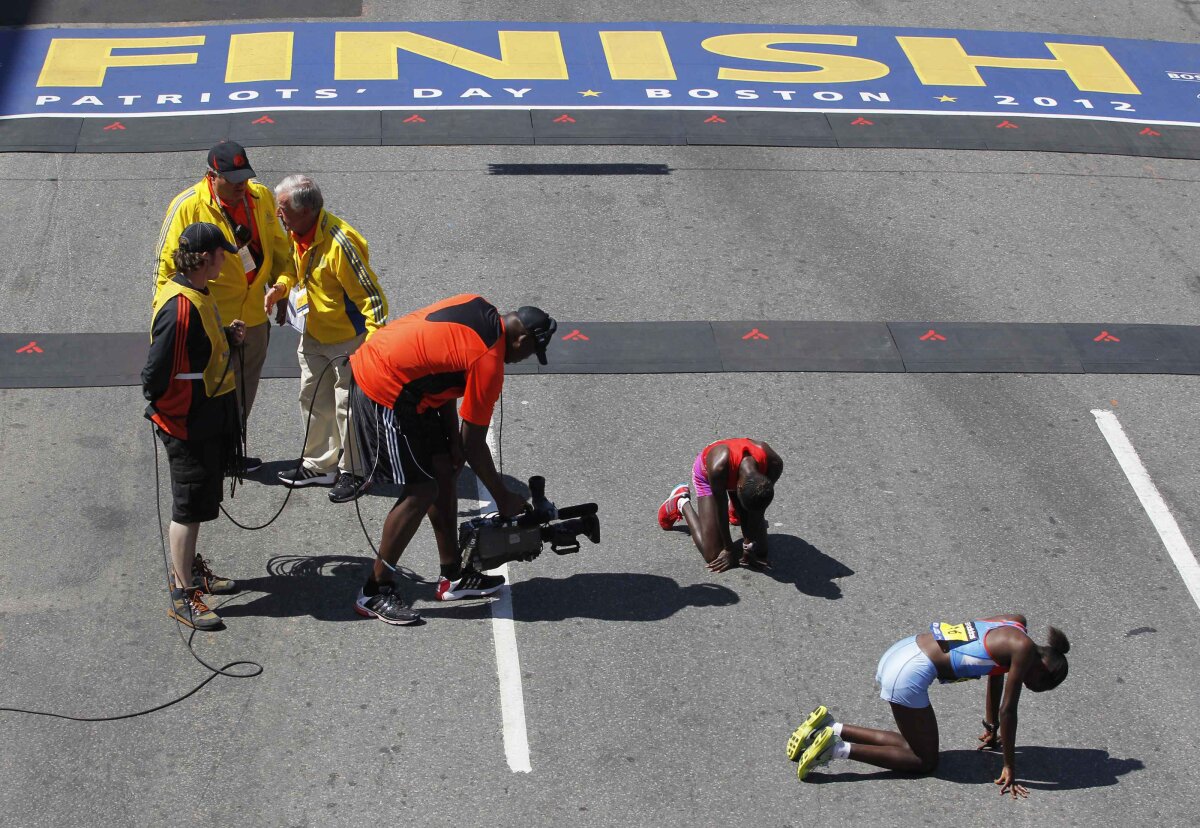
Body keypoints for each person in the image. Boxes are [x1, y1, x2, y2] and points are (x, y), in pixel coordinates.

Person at [345, 294, 557, 625]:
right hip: (382, 386)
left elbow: (440, 371)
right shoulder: (489, 360)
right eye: (530, 352)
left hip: (401, 376)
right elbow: (474, 444)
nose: (524, 359)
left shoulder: (478, 307)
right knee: (422, 489)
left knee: (443, 468)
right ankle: (374, 590)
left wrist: (451, 441)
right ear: (522, 339)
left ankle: (453, 577)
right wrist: (503, 497)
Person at [787, 614, 1071, 798]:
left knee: (911, 745)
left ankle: (830, 727)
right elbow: (1008, 710)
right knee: (925, 761)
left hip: (906, 649)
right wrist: (1009, 765)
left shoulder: (1016, 625)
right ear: (1043, 669)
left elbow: (996, 673)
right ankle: (834, 749)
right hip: (909, 673)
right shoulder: (1023, 650)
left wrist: (990, 727)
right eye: (1041, 686)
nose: (1034, 688)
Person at [153, 140, 295, 470]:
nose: (241, 186)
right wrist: (168, 323)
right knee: (210, 388)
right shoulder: (187, 206)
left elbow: (281, 250)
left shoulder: (260, 197)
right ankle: (205, 452)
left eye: (244, 178)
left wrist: (283, 288)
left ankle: (230, 452)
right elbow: (165, 270)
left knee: (244, 388)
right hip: (211, 319)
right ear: (211, 176)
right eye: (232, 181)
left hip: (254, 315)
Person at [142, 223, 248, 631]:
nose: (226, 260)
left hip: (204, 419)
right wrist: (174, 413)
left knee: (200, 501)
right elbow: (155, 375)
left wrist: (226, 337)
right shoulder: (179, 308)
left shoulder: (198, 291)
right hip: (187, 424)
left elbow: (196, 348)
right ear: (205, 259)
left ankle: (190, 570)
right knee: (187, 509)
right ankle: (183, 593)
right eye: (222, 254)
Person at [264, 175, 389, 501]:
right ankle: (320, 465)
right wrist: (280, 288)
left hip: (348, 340)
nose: (278, 215)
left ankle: (355, 471)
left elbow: (372, 298)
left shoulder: (341, 244)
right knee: (313, 398)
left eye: (282, 209)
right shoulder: (296, 231)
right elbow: (292, 268)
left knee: (349, 406)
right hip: (313, 334)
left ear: (306, 211)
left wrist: (373, 346)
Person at [657, 438, 782, 572]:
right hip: (708, 476)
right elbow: (720, 510)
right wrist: (729, 549)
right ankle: (681, 501)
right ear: (738, 488)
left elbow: (759, 509)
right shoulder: (718, 467)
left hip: (736, 478)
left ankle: (737, 510)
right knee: (713, 554)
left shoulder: (774, 463)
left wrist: (748, 545)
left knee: (760, 551)